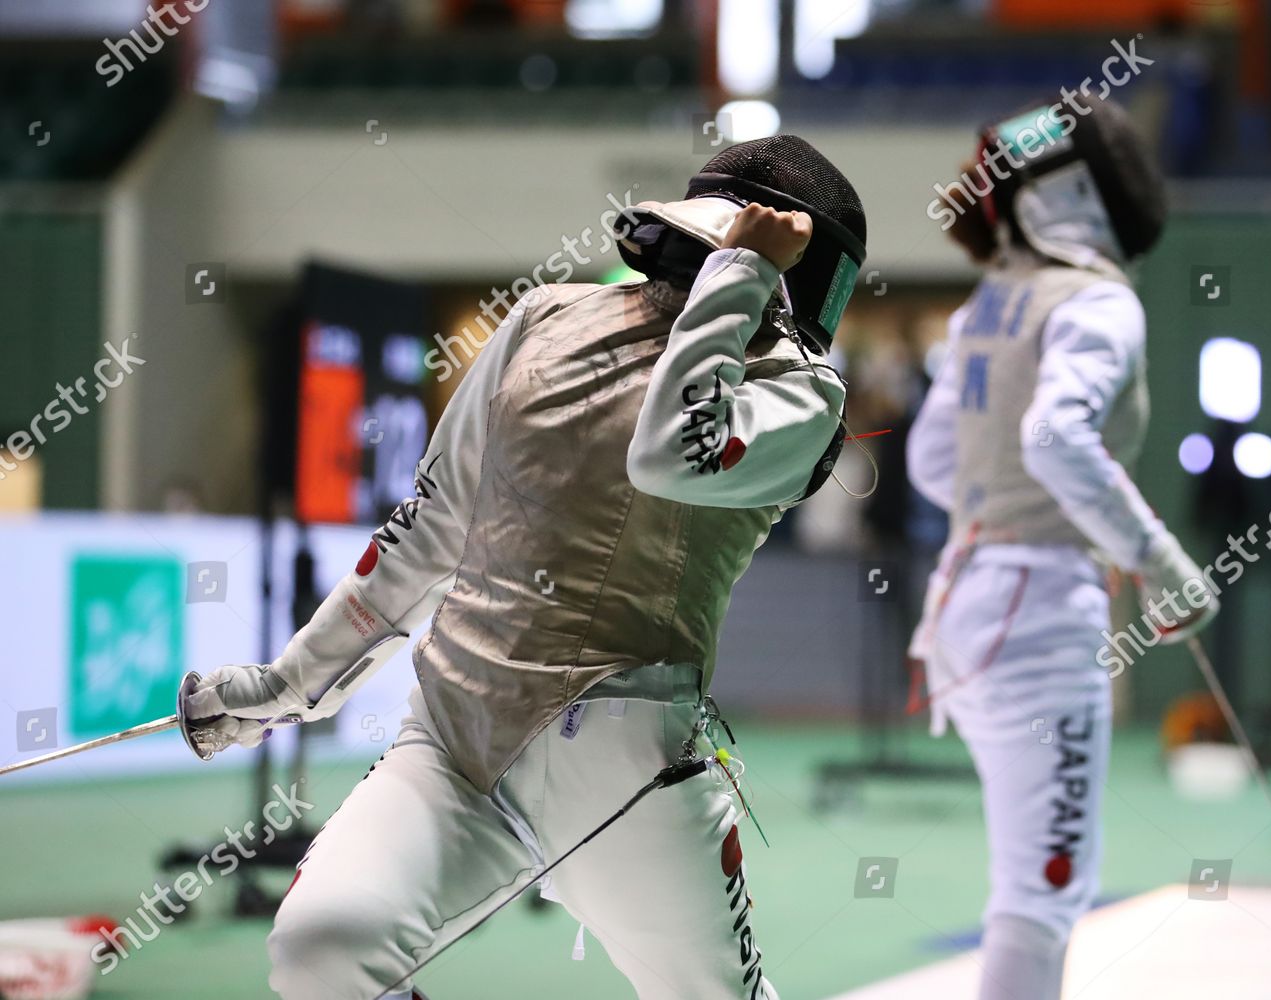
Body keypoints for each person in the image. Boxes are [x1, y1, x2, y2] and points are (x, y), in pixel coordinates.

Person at [182, 134, 866, 1000]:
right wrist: (290, 683)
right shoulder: (543, 319)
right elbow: (430, 528)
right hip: (452, 740)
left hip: (626, 777)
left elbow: (673, 453)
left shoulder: (803, 395)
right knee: (322, 949)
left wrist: (735, 279)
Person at [907, 94, 1217, 1000]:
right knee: (1044, 888)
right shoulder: (1098, 302)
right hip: (1036, 612)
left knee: (1034, 876)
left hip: (964, 603)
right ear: (1095, 190)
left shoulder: (989, 304)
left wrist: (1017, 516)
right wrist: (1160, 562)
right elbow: (1055, 438)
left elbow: (936, 459)